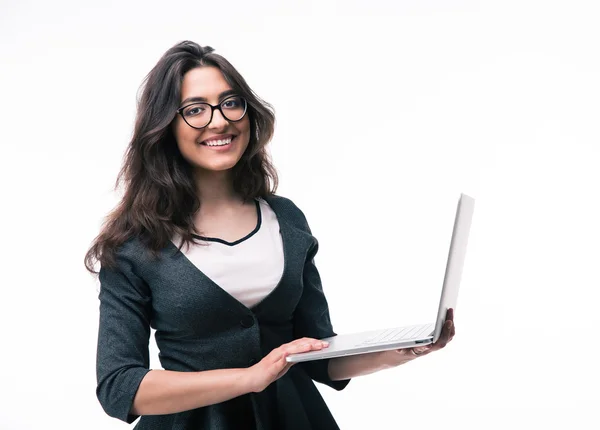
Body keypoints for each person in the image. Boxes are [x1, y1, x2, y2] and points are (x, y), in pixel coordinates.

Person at [84, 40, 456, 430]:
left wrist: (404, 349)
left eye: (231, 102)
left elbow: (321, 353)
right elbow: (119, 386)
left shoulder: (287, 218)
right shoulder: (132, 245)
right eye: (195, 110)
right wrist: (251, 377)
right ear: (165, 128)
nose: (219, 120)